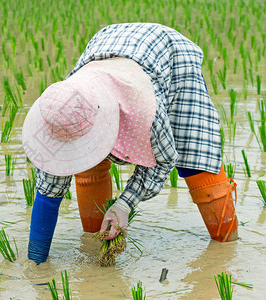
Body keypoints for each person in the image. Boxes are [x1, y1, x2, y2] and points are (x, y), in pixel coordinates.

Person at [22, 23, 238, 265]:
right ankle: (99, 236)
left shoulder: (145, 109)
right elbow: (49, 193)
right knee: (87, 163)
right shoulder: (59, 109)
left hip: (167, 54)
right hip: (106, 48)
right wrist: (36, 263)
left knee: (195, 161)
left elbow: (164, 160)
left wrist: (124, 205)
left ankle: (227, 244)